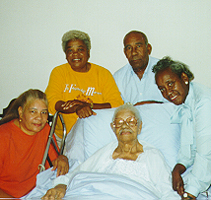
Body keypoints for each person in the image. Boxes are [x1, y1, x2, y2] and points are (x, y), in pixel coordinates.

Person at [42, 103, 179, 199]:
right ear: (113, 128)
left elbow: (166, 191)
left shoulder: (152, 155)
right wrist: (61, 186)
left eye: (131, 121)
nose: (125, 126)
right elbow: (76, 173)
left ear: (139, 127)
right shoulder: (107, 152)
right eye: (119, 122)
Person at [45, 30, 123, 143]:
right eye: (70, 50)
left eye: (80, 49)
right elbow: (52, 102)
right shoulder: (59, 72)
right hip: (63, 137)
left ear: (88, 52)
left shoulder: (103, 73)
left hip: (97, 135)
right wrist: (77, 108)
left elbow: (117, 104)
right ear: (66, 55)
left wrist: (88, 106)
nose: (75, 54)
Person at [153, 56, 211, 199]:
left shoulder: (204, 102)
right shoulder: (187, 103)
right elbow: (189, 148)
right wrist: (177, 170)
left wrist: (189, 193)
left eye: (170, 84)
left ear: (184, 77)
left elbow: (206, 154)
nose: (167, 93)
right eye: (162, 89)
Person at [0, 89, 69, 198]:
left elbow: (54, 166)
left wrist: (62, 159)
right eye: (33, 111)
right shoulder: (3, 136)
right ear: (21, 112)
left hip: (35, 193)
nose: (39, 118)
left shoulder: (45, 130)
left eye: (44, 112)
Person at [113, 30, 165, 105]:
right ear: (125, 53)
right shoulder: (118, 77)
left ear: (148, 48)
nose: (134, 52)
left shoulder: (164, 70)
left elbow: (176, 104)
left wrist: (151, 105)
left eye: (138, 46)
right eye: (129, 48)